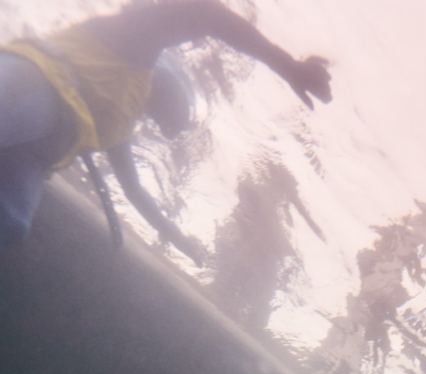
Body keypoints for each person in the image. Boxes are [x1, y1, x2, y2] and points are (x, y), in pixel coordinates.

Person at [0, 2, 331, 256]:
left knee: (11, 225)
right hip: (33, 82)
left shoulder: (122, 119)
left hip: (36, 153)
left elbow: (134, 191)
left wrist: (176, 237)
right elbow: (208, 13)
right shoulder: (133, 43)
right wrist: (288, 67)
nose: (173, 121)